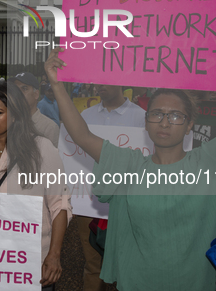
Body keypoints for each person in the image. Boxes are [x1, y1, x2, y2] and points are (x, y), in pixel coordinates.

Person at [43, 21, 216, 291]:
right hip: (138, 284)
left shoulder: (212, 160)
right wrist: (57, 84)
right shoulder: (128, 165)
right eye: (157, 113)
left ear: (190, 123)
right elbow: (82, 135)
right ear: (146, 121)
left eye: (176, 115)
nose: (165, 122)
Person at [0, 82, 72, 290]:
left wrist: (54, 255)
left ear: (16, 115)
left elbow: (60, 205)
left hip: (31, 266)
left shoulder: (42, 149)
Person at [77, 84, 145, 291]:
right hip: (88, 203)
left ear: (121, 82)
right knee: (93, 265)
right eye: (96, 81)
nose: (99, 86)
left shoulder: (141, 117)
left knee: (128, 265)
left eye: (104, 81)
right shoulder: (84, 116)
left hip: (126, 206)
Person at [9, 72, 60, 147]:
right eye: (16, 89)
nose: (18, 93)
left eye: (24, 88)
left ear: (36, 94)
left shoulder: (49, 128)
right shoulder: (8, 122)